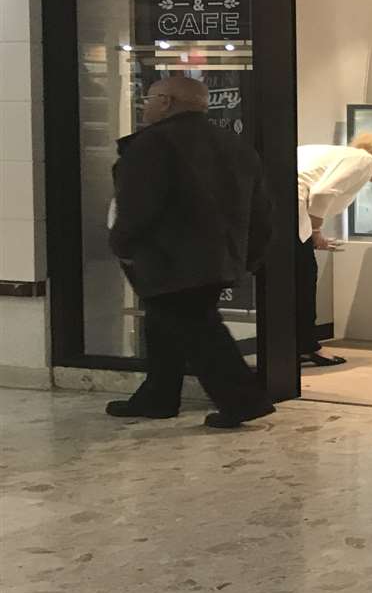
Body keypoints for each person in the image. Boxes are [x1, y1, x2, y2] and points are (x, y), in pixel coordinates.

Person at [106, 75, 277, 428]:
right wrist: (249, 257)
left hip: (169, 256)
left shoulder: (153, 145)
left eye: (150, 98)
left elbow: (139, 205)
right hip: (220, 256)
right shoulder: (235, 145)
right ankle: (158, 396)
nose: (145, 104)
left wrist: (122, 244)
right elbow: (261, 210)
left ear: (167, 102)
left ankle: (243, 400)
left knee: (199, 329)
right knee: (165, 323)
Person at [295, 131, 372, 367]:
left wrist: (314, 232)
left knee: (294, 278)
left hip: (274, 206)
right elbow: (322, 192)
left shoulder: (335, 153)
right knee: (303, 278)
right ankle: (306, 345)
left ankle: (295, 343)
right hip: (290, 210)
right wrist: (316, 232)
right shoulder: (364, 160)